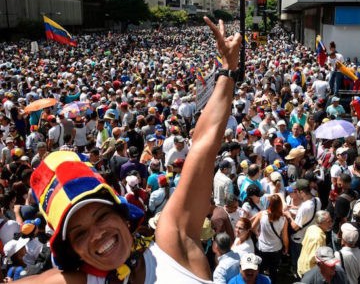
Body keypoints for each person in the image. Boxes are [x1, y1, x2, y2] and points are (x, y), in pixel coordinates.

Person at [15, 16, 243, 284]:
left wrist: (228, 70)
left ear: (122, 214)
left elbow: (203, 145)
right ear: (71, 250)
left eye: (101, 216)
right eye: (79, 234)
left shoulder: (172, 245)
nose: (97, 234)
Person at [251, 194, 289, 282]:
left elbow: (252, 227)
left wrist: (258, 234)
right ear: (280, 205)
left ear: (269, 204)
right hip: (276, 249)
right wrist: (286, 248)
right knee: (273, 271)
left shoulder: (261, 214)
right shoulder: (283, 219)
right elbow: (285, 237)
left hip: (262, 248)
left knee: (260, 269)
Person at [297, 210, 333, 278]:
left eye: (331, 220)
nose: (331, 223)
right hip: (309, 271)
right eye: (328, 222)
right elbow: (315, 258)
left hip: (302, 265)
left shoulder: (311, 228)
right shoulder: (318, 238)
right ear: (320, 223)